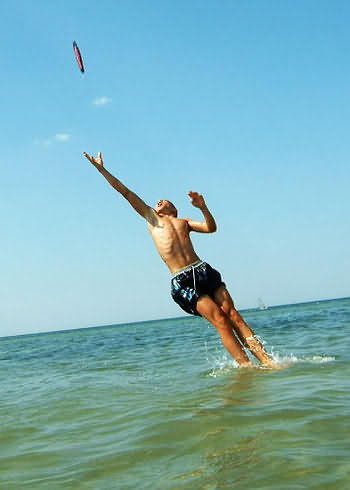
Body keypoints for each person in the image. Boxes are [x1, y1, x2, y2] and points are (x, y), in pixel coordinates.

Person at [83, 152, 273, 368]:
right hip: (183, 279)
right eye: (158, 201)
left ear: (174, 209)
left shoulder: (184, 222)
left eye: (165, 200)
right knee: (220, 321)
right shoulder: (151, 217)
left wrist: (203, 207)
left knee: (233, 316)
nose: (159, 201)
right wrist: (101, 169)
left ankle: (267, 362)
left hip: (203, 270)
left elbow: (211, 228)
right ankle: (245, 366)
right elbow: (124, 191)